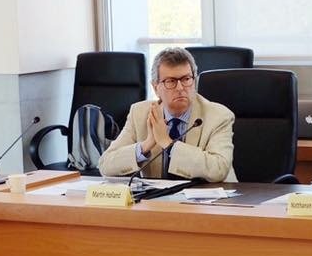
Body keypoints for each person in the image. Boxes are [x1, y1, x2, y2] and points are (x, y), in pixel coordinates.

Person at [98, 47, 236, 182]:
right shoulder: (139, 113)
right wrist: (146, 145)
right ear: (155, 88)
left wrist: (168, 144)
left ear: (194, 81)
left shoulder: (219, 116)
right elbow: (105, 164)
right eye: (171, 81)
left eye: (186, 79)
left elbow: (219, 168)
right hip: (159, 197)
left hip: (209, 196)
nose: (180, 88)